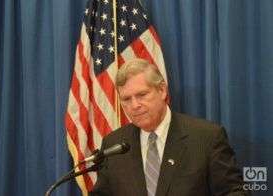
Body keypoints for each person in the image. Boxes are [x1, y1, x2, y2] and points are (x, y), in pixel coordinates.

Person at [90, 58, 249, 196]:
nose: (135, 105)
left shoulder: (206, 138)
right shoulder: (114, 144)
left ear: (162, 91)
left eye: (142, 95)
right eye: (126, 99)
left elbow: (233, 192)